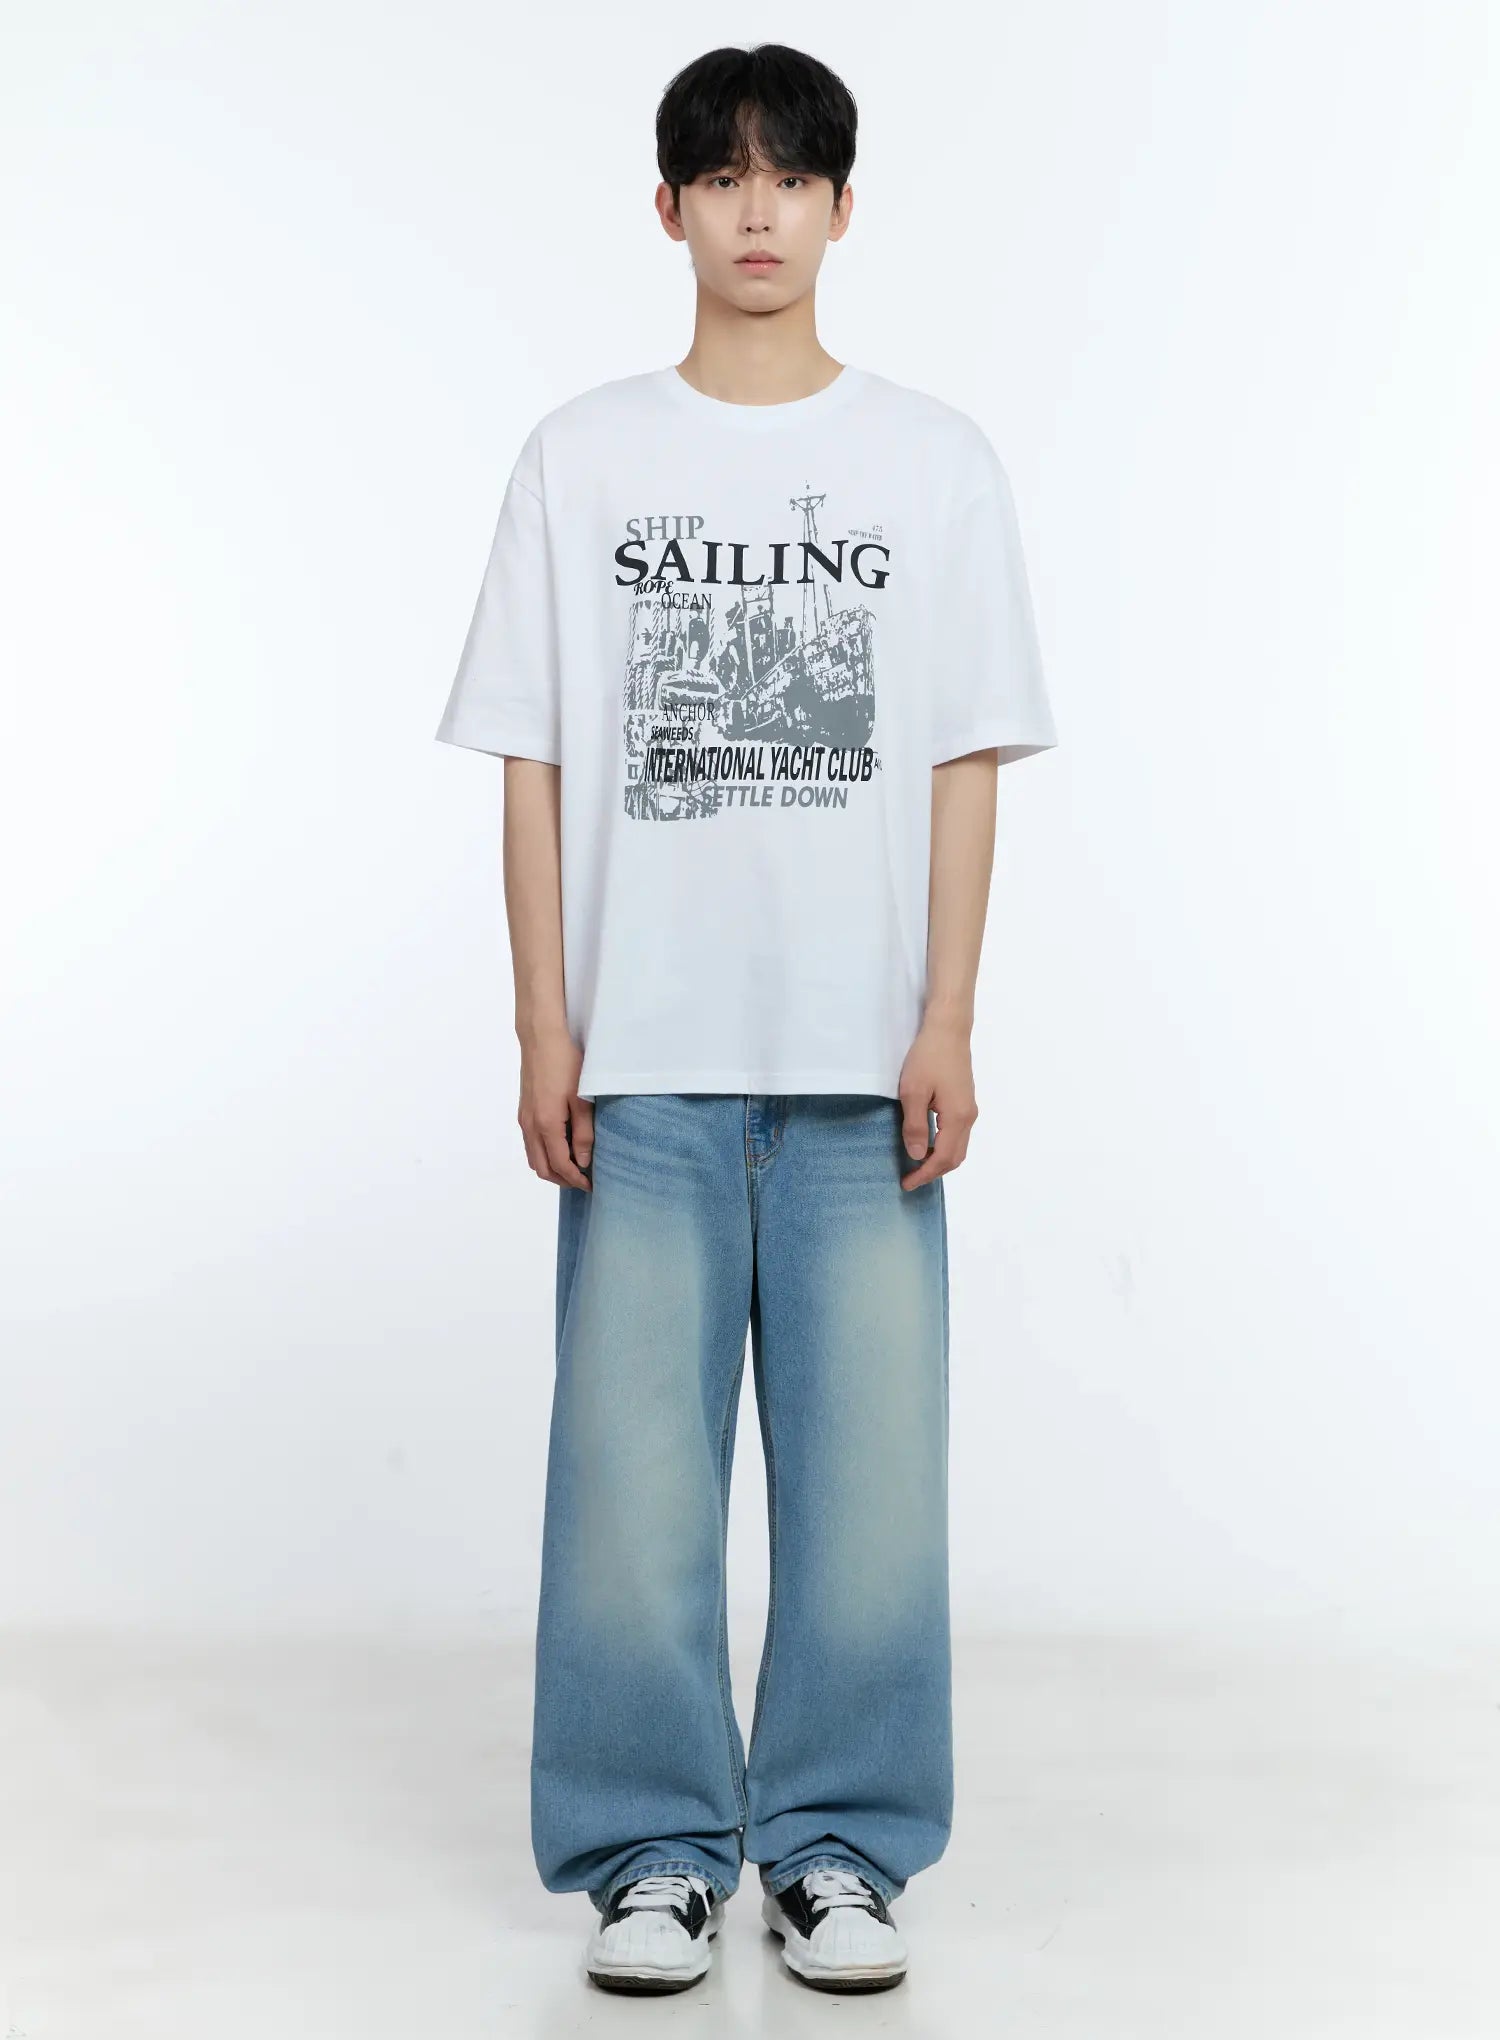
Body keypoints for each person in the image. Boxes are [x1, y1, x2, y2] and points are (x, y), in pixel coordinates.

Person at [434, 41, 1058, 1997]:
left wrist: (948, 1016)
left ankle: (841, 1848)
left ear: (847, 208)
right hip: (647, 1064)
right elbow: (532, 763)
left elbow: (964, 758)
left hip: (864, 1072)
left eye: (792, 178)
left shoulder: (934, 463)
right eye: (722, 177)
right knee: (631, 1488)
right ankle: (650, 1853)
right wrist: (545, 1029)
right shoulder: (583, 458)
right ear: (670, 209)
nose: (759, 210)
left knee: (872, 1489)